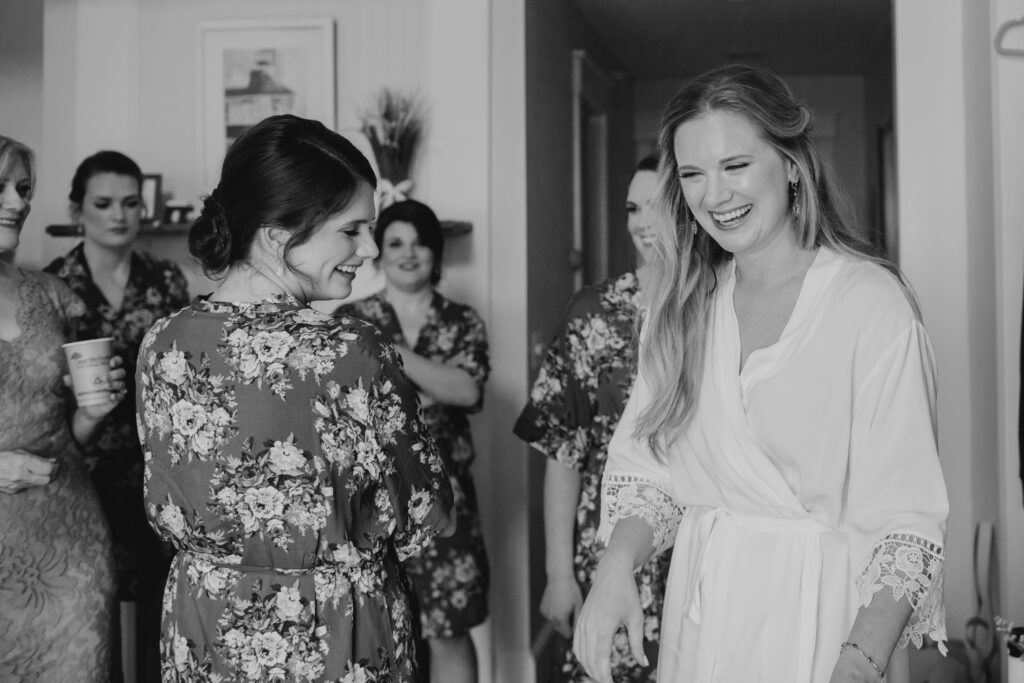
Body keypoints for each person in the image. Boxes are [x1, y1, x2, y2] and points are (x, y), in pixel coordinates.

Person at [572, 65, 949, 683]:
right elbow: (650, 470)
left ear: (792, 164)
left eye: (736, 165)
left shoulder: (870, 306)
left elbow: (908, 520)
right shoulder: (682, 307)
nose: (714, 195)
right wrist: (615, 567)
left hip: (829, 622)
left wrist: (859, 662)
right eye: (693, 174)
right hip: (705, 611)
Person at [134, 115, 455, 682]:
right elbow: (429, 514)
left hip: (204, 628)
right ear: (280, 235)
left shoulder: (163, 342)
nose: (371, 248)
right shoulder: (352, 353)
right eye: (352, 230)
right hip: (333, 635)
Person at [513, 154, 671, 682]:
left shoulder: (727, 303)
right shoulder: (592, 313)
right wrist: (560, 573)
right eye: (632, 207)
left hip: (705, 541)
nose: (641, 221)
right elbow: (562, 450)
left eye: (658, 204)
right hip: (607, 543)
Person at [44, 150, 190, 683]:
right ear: (77, 208)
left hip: (162, 469)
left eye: (130, 203)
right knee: (92, 613)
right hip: (83, 468)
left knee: (164, 605)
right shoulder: (53, 287)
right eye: (103, 203)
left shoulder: (166, 279)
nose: (118, 215)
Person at [339, 199, 490, 683]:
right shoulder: (350, 317)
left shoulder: (461, 320)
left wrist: (389, 352)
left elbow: (466, 389)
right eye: (396, 243)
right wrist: (432, 381)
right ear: (379, 251)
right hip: (369, 501)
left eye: (420, 243)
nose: (408, 254)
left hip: (448, 499)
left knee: (448, 627)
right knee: (374, 629)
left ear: (436, 252)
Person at [0, 134, 127, 681]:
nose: (17, 202)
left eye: (23, 188)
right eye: (0, 187)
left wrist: (94, 413)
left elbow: (69, 426)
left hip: (68, 522)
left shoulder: (53, 294)